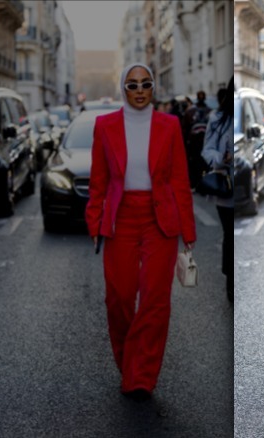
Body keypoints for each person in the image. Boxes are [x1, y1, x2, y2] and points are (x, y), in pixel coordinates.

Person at [85, 63, 196, 402]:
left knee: (154, 300)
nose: (139, 89)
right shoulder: (105, 126)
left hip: (159, 218)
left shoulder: (169, 125)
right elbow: (99, 180)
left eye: (145, 83)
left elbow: (179, 179)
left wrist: (188, 231)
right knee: (117, 298)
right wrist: (94, 222)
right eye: (132, 84)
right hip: (121, 218)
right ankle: (128, 362)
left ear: (153, 89)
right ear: (123, 88)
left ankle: (141, 376)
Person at [201, 80, 234, 303]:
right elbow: (207, 149)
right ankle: (230, 280)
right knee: (230, 236)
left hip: (241, 184)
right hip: (225, 188)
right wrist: (220, 158)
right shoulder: (219, 119)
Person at [184, 90, 210, 189]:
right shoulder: (210, 111)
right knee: (202, 165)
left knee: (196, 165)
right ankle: (202, 184)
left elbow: (185, 129)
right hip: (201, 144)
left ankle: (197, 184)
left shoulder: (190, 111)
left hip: (196, 144)